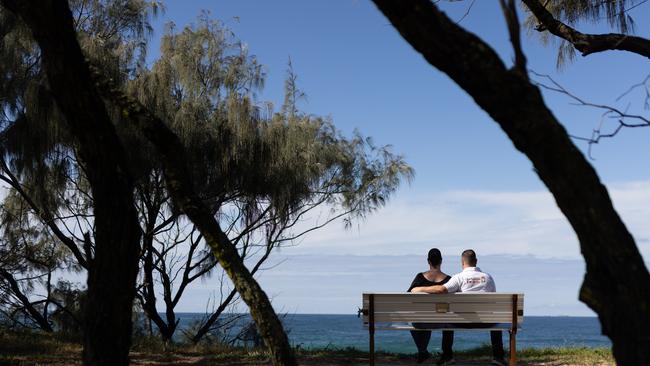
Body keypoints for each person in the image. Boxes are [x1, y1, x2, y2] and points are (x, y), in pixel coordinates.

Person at [410, 249, 507, 366]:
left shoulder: (458, 278)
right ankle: (498, 357)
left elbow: (441, 289)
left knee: (447, 320)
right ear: (476, 261)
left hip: (462, 322)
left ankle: (447, 357)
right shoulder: (488, 278)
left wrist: (419, 289)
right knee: (495, 320)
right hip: (485, 322)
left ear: (462, 262)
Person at [408, 248, 455, 365]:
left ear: (428, 261)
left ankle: (422, 351)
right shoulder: (449, 279)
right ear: (441, 261)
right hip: (442, 321)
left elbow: (408, 297)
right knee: (449, 319)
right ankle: (447, 355)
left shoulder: (419, 277)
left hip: (422, 321)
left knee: (415, 318)